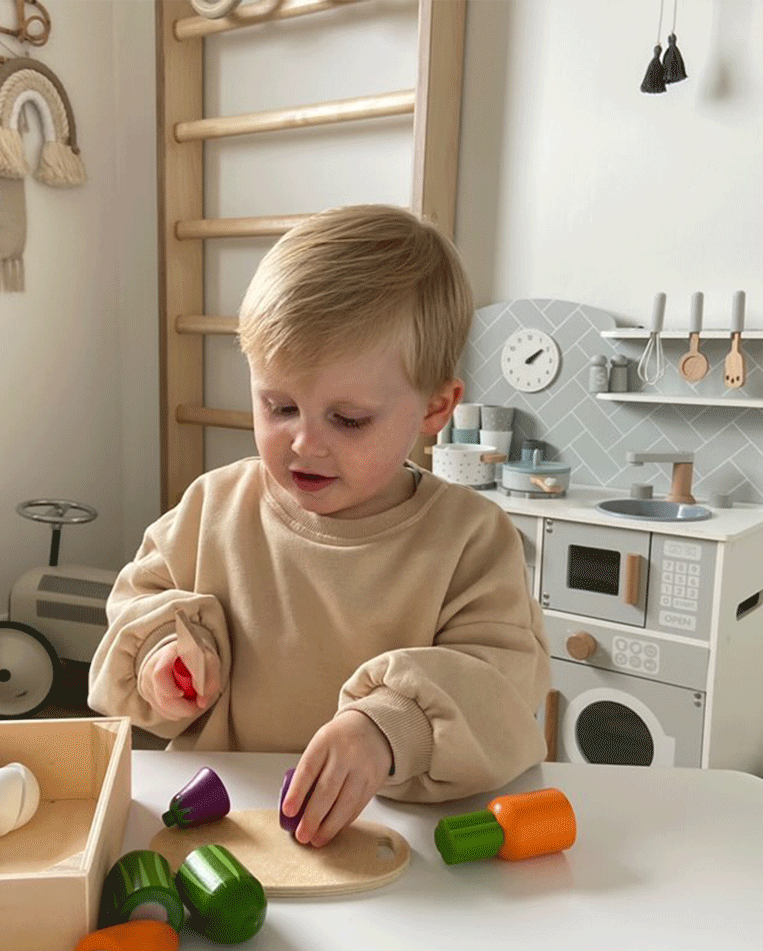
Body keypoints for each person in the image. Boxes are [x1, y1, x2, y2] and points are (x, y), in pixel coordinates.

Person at [88, 204, 550, 848]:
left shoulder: (470, 538)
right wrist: (164, 655)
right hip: (225, 826)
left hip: (395, 834)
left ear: (435, 408)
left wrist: (391, 729)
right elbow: (138, 604)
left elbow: (502, 689)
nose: (304, 443)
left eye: (349, 420)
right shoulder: (213, 506)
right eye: (279, 406)